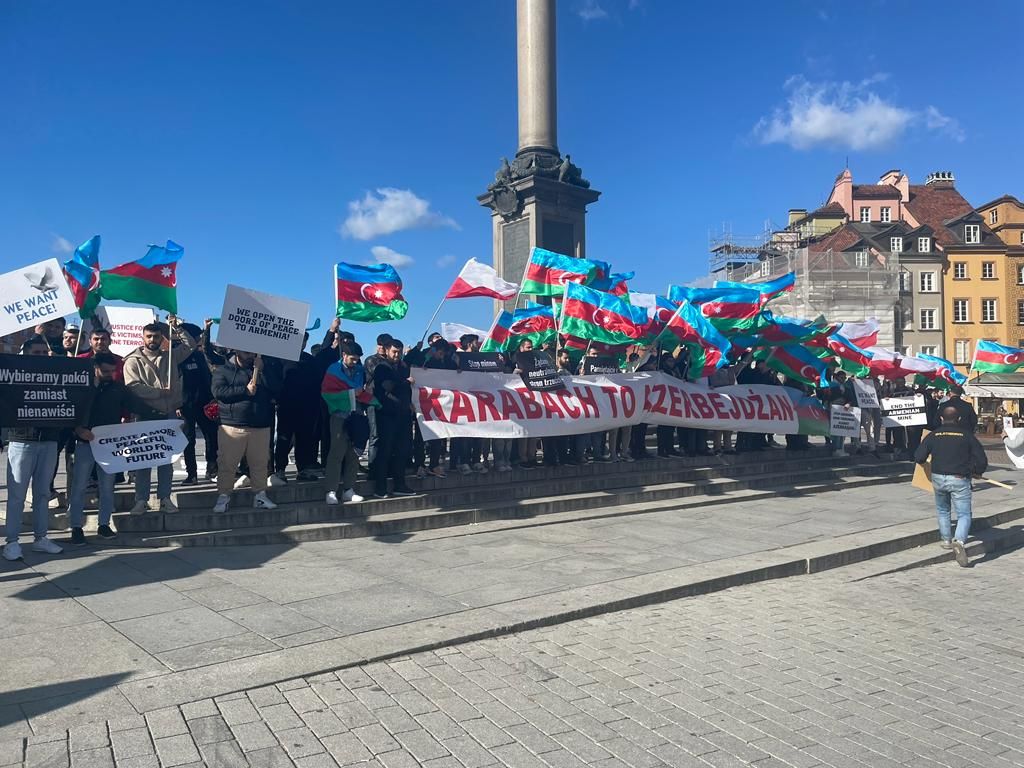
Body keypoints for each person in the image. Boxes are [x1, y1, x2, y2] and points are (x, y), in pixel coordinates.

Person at [67, 353, 143, 545]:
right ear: (95, 368)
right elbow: (70, 411)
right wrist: (78, 429)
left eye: (112, 371)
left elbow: (137, 407)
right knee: (79, 487)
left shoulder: (118, 388)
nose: (110, 374)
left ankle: (104, 524)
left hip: (109, 445)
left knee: (107, 487)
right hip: (84, 443)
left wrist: (163, 418)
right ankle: (76, 527)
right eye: (105, 371)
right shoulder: (82, 387)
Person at [122, 317, 196, 514]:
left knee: (166, 459)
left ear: (161, 337)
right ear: (143, 337)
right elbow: (133, 386)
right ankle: (141, 500)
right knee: (143, 460)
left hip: (167, 413)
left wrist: (177, 327)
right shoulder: (132, 360)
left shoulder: (170, 356)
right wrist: (159, 392)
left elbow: (191, 345)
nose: (152, 339)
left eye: (156, 336)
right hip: (144, 415)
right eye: (149, 336)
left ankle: (164, 497)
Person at [3, 336, 64, 561]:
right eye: (35, 353)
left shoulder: (55, 375)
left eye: (43, 353)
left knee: (42, 493)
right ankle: (12, 542)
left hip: (48, 440)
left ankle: (41, 538)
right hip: (22, 440)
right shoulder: (15, 376)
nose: (40, 357)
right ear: (25, 353)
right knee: (17, 495)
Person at [914, 405, 988, 567]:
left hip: (938, 477)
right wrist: (977, 471)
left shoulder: (934, 435)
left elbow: (918, 456)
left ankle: (946, 540)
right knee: (964, 514)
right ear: (959, 419)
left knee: (943, 509)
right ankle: (959, 541)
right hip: (960, 477)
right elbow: (981, 459)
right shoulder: (967, 436)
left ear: (941, 419)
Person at [210, 349, 282, 513]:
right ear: (237, 352)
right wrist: (244, 391)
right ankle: (223, 496)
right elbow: (218, 392)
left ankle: (260, 495)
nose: (251, 356)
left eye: (253, 353)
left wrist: (263, 370)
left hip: (260, 425)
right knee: (227, 464)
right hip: (232, 425)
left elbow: (277, 389)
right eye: (247, 353)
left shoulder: (262, 368)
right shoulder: (224, 370)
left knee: (260, 463)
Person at [321, 342, 370, 505]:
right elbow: (327, 393)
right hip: (339, 415)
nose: (355, 362)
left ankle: (349, 489)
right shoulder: (333, 370)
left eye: (357, 360)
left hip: (356, 415)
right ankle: (331, 490)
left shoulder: (360, 371)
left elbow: (364, 389)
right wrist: (350, 393)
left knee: (354, 454)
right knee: (336, 454)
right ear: (343, 355)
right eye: (352, 359)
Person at [371, 338, 416, 498]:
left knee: (402, 450)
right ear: (387, 351)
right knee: (385, 450)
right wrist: (405, 382)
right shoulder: (382, 367)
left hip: (403, 414)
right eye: (394, 351)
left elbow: (407, 389)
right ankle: (380, 487)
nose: (397, 355)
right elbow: (387, 387)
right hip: (387, 414)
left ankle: (400, 484)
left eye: (399, 351)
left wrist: (410, 403)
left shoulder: (404, 367)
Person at [178, 322, 218, 485]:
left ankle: (212, 468)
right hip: (185, 405)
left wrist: (212, 398)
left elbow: (208, 379)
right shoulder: (178, 355)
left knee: (211, 436)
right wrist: (177, 404)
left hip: (205, 403)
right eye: (196, 336)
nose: (199, 339)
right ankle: (191, 474)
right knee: (188, 440)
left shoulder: (201, 355)